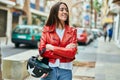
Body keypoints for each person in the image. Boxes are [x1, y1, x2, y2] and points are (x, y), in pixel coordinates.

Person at [38, 2, 77, 80]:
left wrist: (52, 48)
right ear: (55, 13)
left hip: (66, 71)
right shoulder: (47, 30)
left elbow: (71, 53)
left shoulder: (72, 31)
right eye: (62, 10)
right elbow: (42, 51)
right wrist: (65, 50)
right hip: (49, 69)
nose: (65, 12)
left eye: (66, 10)